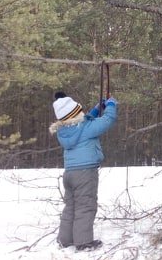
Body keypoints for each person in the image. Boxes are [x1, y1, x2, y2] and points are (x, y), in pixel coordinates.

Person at [49, 91, 118, 251]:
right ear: (75, 112)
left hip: (69, 174)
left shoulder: (63, 130)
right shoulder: (86, 128)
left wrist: (95, 109)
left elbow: (82, 121)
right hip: (85, 173)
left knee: (71, 206)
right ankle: (83, 242)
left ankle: (65, 240)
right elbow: (108, 120)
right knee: (85, 206)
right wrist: (111, 105)